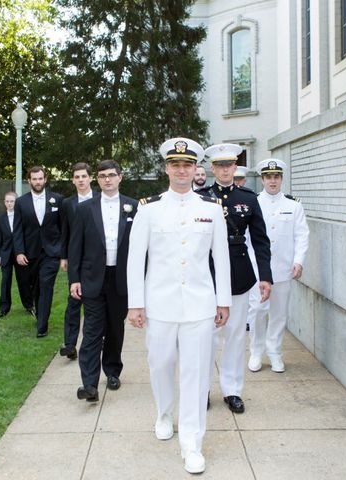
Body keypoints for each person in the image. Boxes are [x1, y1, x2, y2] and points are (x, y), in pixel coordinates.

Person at [127, 137, 231, 474]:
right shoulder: (149, 208)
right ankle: (163, 412)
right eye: (175, 165)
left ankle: (192, 443)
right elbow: (135, 260)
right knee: (159, 363)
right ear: (167, 168)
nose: (182, 170)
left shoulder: (212, 210)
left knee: (196, 374)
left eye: (187, 165)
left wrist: (223, 300)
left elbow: (222, 259)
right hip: (159, 304)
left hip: (200, 306)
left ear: (196, 169)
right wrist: (135, 304)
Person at [196, 143, 272, 414]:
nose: (225, 169)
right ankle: (201, 390)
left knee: (236, 335)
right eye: (220, 165)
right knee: (206, 337)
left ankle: (232, 390)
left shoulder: (249, 198)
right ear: (212, 168)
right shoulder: (201, 198)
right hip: (208, 274)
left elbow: (261, 241)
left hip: (239, 275)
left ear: (235, 168)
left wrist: (265, 276)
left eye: (230, 165)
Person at [69, 160, 138, 401]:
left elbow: (141, 248)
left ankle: (112, 370)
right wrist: (74, 278)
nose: (107, 179)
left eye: (111, 175)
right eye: (102, 176)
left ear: (120, 177)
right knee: (91, 331)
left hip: (120, 279)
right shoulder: (85, 209)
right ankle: (89, 384)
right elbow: (75, 245)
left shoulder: (134, 207)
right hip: (92, 278)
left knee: (115, 328)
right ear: (96, 180)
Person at [248, 159, 309, 373]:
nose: (272, 181)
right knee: (256, 311)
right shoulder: (253, 203)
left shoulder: (294, 205)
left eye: (276, 177)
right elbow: (248, 238)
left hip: (283, 268)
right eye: (268, 177)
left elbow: (302, 235)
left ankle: (274, 351)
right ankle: (256, 351)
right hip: (257, 270)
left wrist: (298, 260)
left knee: (279, 313)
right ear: (263, 179)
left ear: (281, 179)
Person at [13, 166, 63, 338]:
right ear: (29, 181)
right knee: (35, 288)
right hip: (30, 252)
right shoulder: (21, 202)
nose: (38, 182)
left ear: (45, 179)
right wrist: (19, 252)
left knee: (46, 285)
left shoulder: (57, 199)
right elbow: (17, 229)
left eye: (40, 178)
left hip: (52, 252)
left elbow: (62, 227)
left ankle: (42, 326)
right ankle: (39, 313)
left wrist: (62, 251)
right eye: (34, 179)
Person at [58, 162, 99, 360]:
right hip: (76, 258)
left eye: (84, 176)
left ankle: (96, 341)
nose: (81, 180)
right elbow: (64, 232)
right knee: (73, 301)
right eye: (77, 177)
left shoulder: (100, 199)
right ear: (73, 180)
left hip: (96, 259)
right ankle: (70, 344)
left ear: (90, 178)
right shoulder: (67, 204)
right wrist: (64, 256)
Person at [0, 192, 33, 318]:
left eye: (12, 201)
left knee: (24, 280)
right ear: (4, 202)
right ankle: (4, 308)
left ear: (16, 203)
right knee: (5, 281)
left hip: (20, 254)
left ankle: (29, 305)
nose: (9, 204)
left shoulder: (22, 217)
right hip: (6, 254)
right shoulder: (1, 218)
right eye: (7, 201)